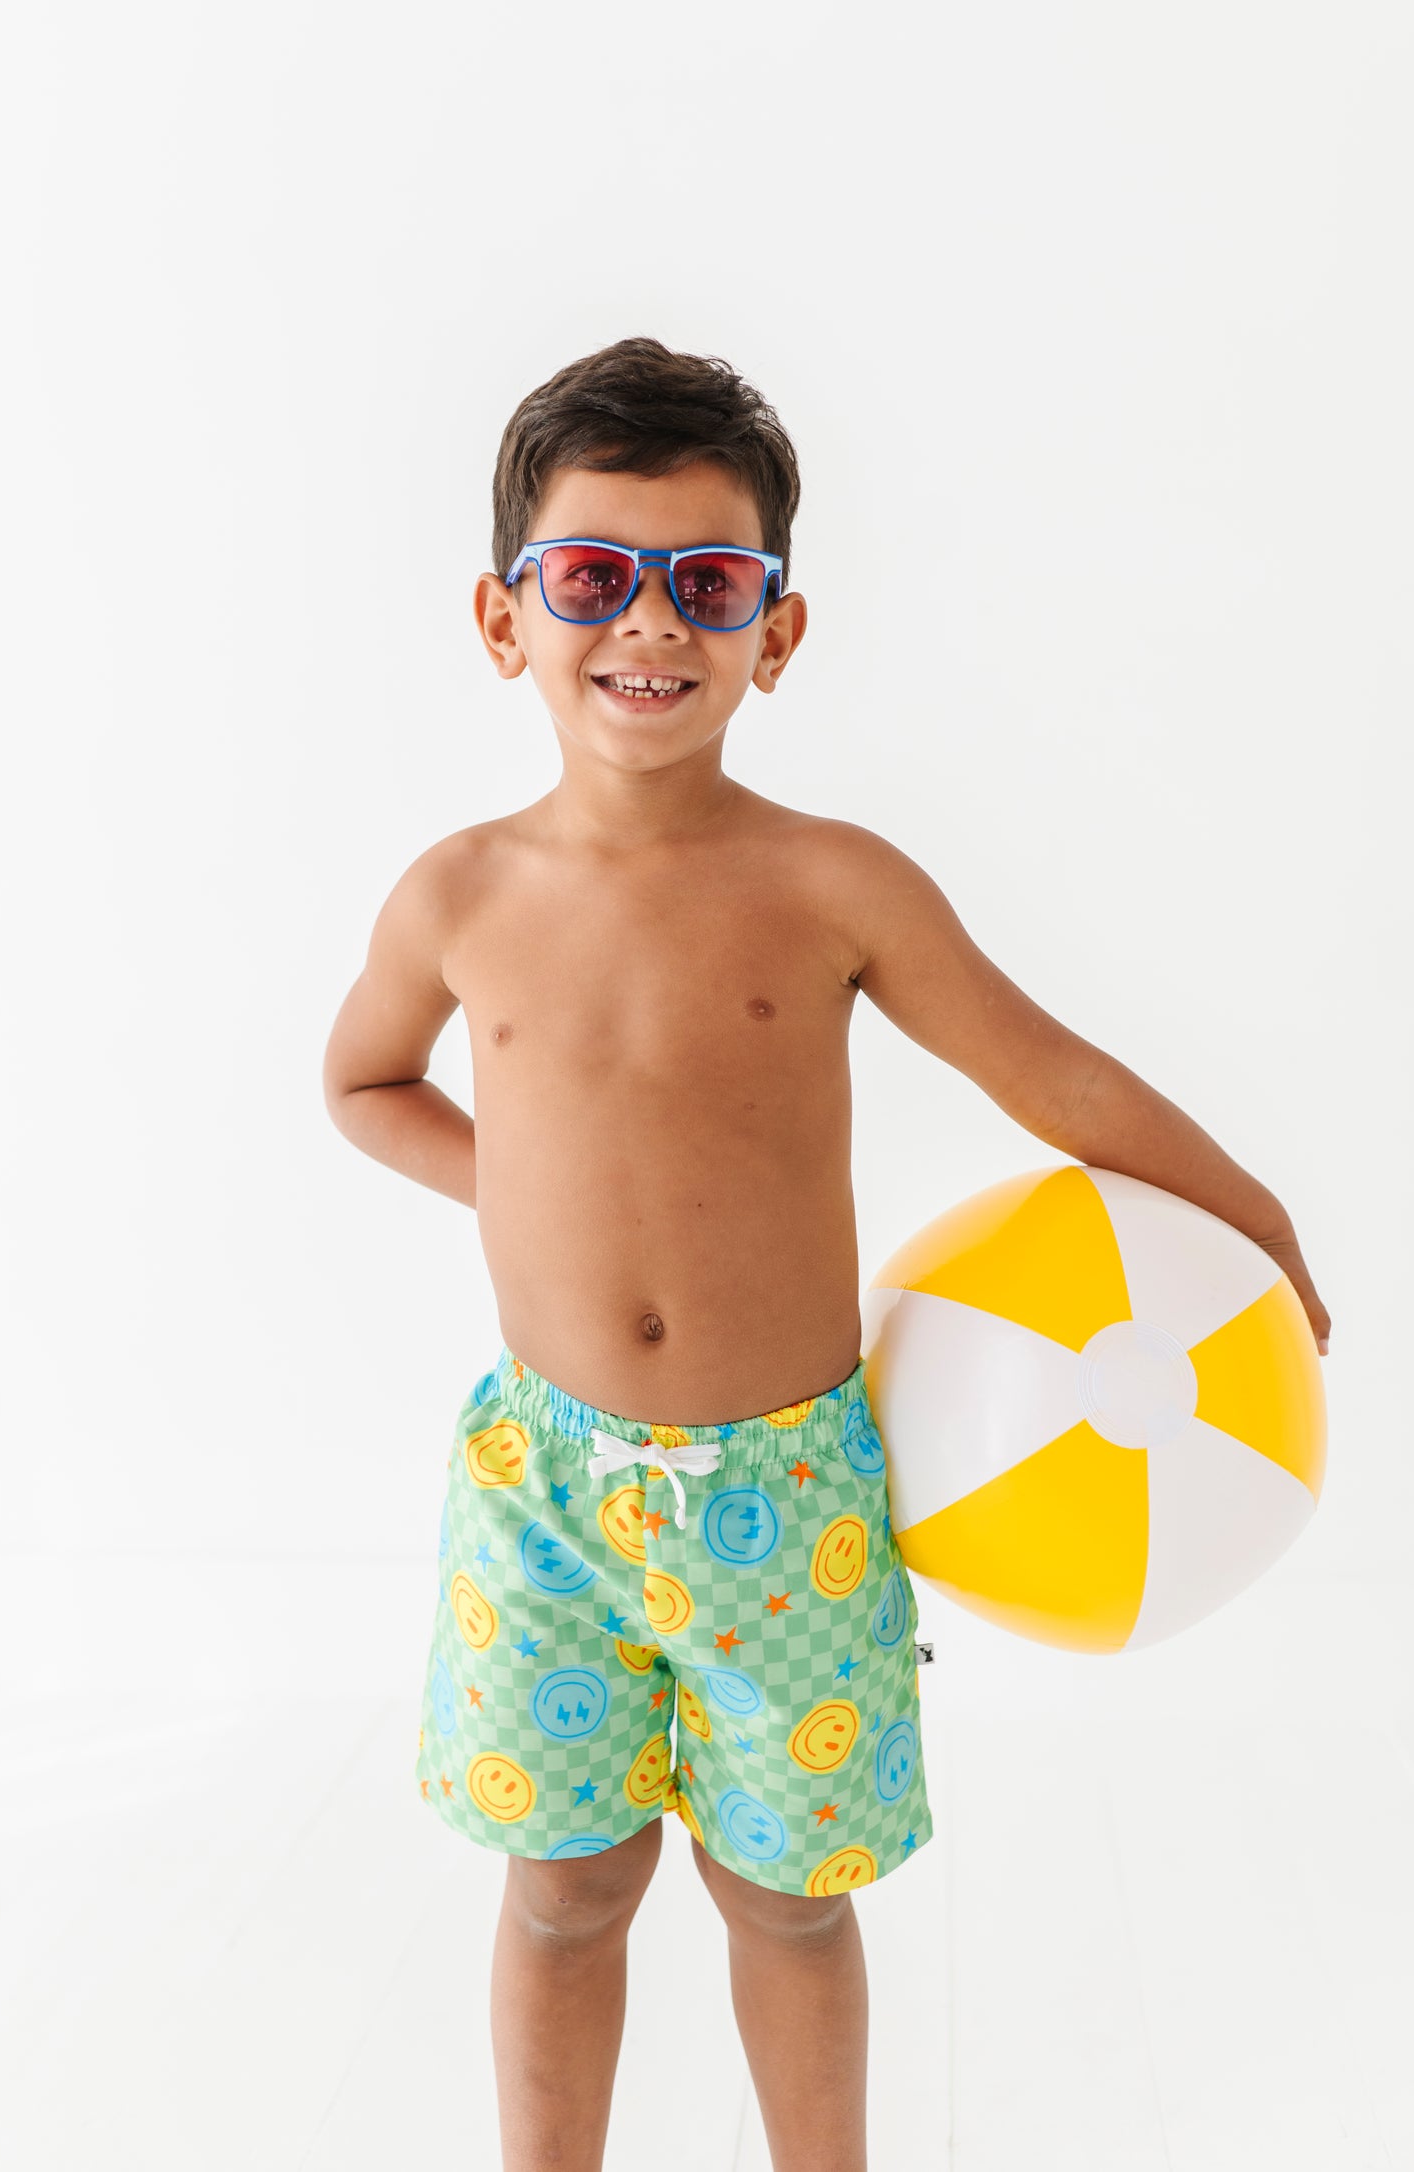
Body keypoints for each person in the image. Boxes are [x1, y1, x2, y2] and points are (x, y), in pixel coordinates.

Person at [321, 334, 1331, 2172]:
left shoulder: (831, 883)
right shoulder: (456, 894)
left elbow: (1045, 1073)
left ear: (773, 633)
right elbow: (364, 1084)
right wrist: (528, 1196)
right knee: (563, 1889)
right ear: (502, 616)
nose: (649, 619)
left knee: (787, 1900)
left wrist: (1249, 1212)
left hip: (791, 1500)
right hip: (543, 1490)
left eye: (706, 583)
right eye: (591, 574)